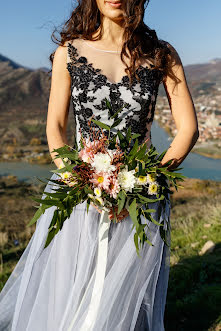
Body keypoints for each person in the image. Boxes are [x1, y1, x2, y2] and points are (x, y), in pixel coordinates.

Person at [0, 0, 199, 330]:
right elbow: (55, 126)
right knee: (71, 290)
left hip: (139, 198)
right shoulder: (71, 50)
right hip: (78, 194)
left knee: (122, 294)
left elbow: (188, 129)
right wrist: (78, 179)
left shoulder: (162, 53)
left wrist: (148, 181)